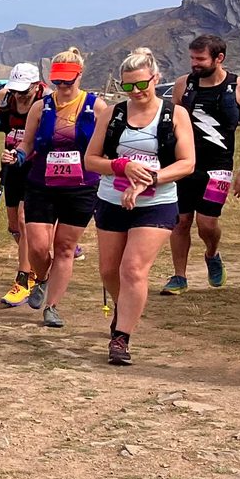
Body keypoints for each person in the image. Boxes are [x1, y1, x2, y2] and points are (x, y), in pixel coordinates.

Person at [86, 49, 195, 366]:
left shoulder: (174, 114)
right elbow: (91, 160)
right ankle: (125, 310)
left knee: (132, 268)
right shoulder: (113, 114)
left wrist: (150, 178)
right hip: (112, 199)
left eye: (142, 84)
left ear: (156, 79)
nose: (136, 92)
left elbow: (187, 163)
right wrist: (121, 166)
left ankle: (121, 338)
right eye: (128, 86)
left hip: (156, 203)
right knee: (109, 270)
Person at [14, 48, 109, 329]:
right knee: (39, 247)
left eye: (68, 81)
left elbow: (105, 145)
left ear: (79, 76)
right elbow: (27, 143)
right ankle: (41, 278)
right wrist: (16, 154)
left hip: (81, 187)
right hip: (42, 184)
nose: (63, 87)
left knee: (65, 248)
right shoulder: (40, 107)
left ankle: (52, 307)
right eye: (58, 81)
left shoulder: (97, 106)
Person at [164, 34, 240, 294]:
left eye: (200, 59)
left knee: (207, 223)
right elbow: (171, 126)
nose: (194, 63)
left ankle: (212, 254)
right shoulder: (184, 85)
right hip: (185, 164)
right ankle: (179, 276)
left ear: (219, 58)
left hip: (219, 167)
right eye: (192, 58)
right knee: (181, 221)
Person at [0, 63, 44, 306]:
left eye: (24, 91)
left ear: (36, 85)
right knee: (15, 227)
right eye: (16, 90)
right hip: (11, 166)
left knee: (26, 222)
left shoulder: (46, 99)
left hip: (37, 167)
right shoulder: (4, 96)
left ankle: (24, 280)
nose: (19, 96)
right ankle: (40, 261)